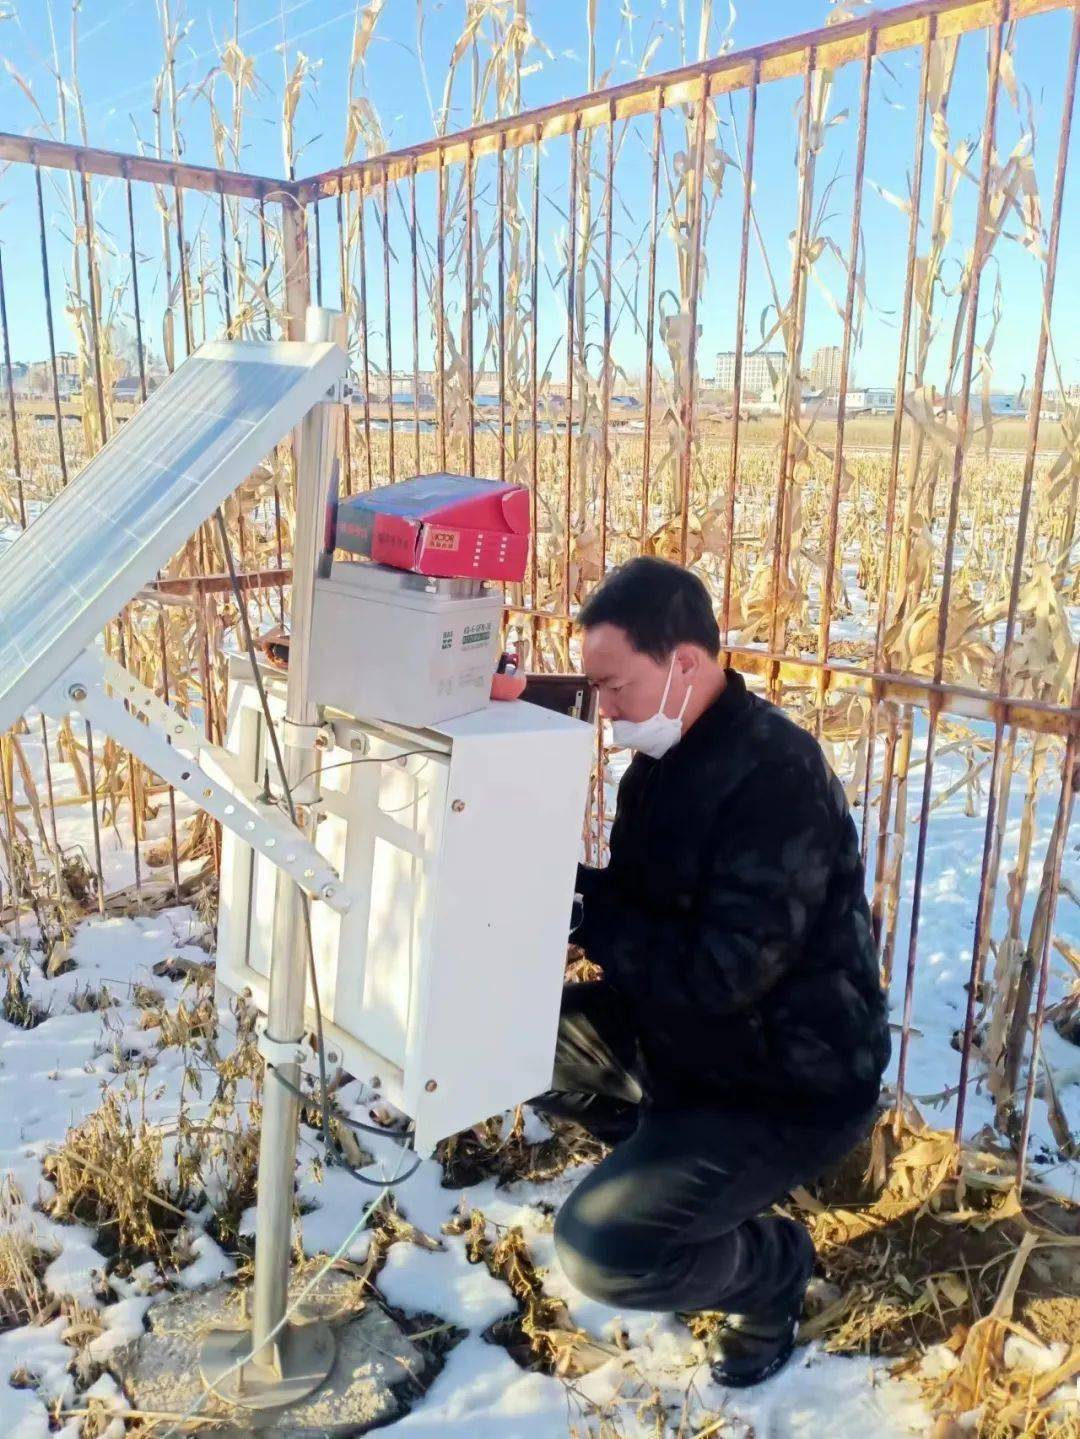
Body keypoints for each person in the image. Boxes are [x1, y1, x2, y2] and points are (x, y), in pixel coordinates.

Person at [533, 556, 891, 1388]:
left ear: (684, 663)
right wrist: (548, 886)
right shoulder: (664, 755)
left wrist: (591, 917)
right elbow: (638, 902)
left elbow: (725, 971)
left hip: (786, 1079)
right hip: (686, 1037)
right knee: (505, 1039)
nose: (605, 709)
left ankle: (770, 1270)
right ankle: (681, 1180)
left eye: (614, 685)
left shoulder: (777, 779)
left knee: (600, 1248)